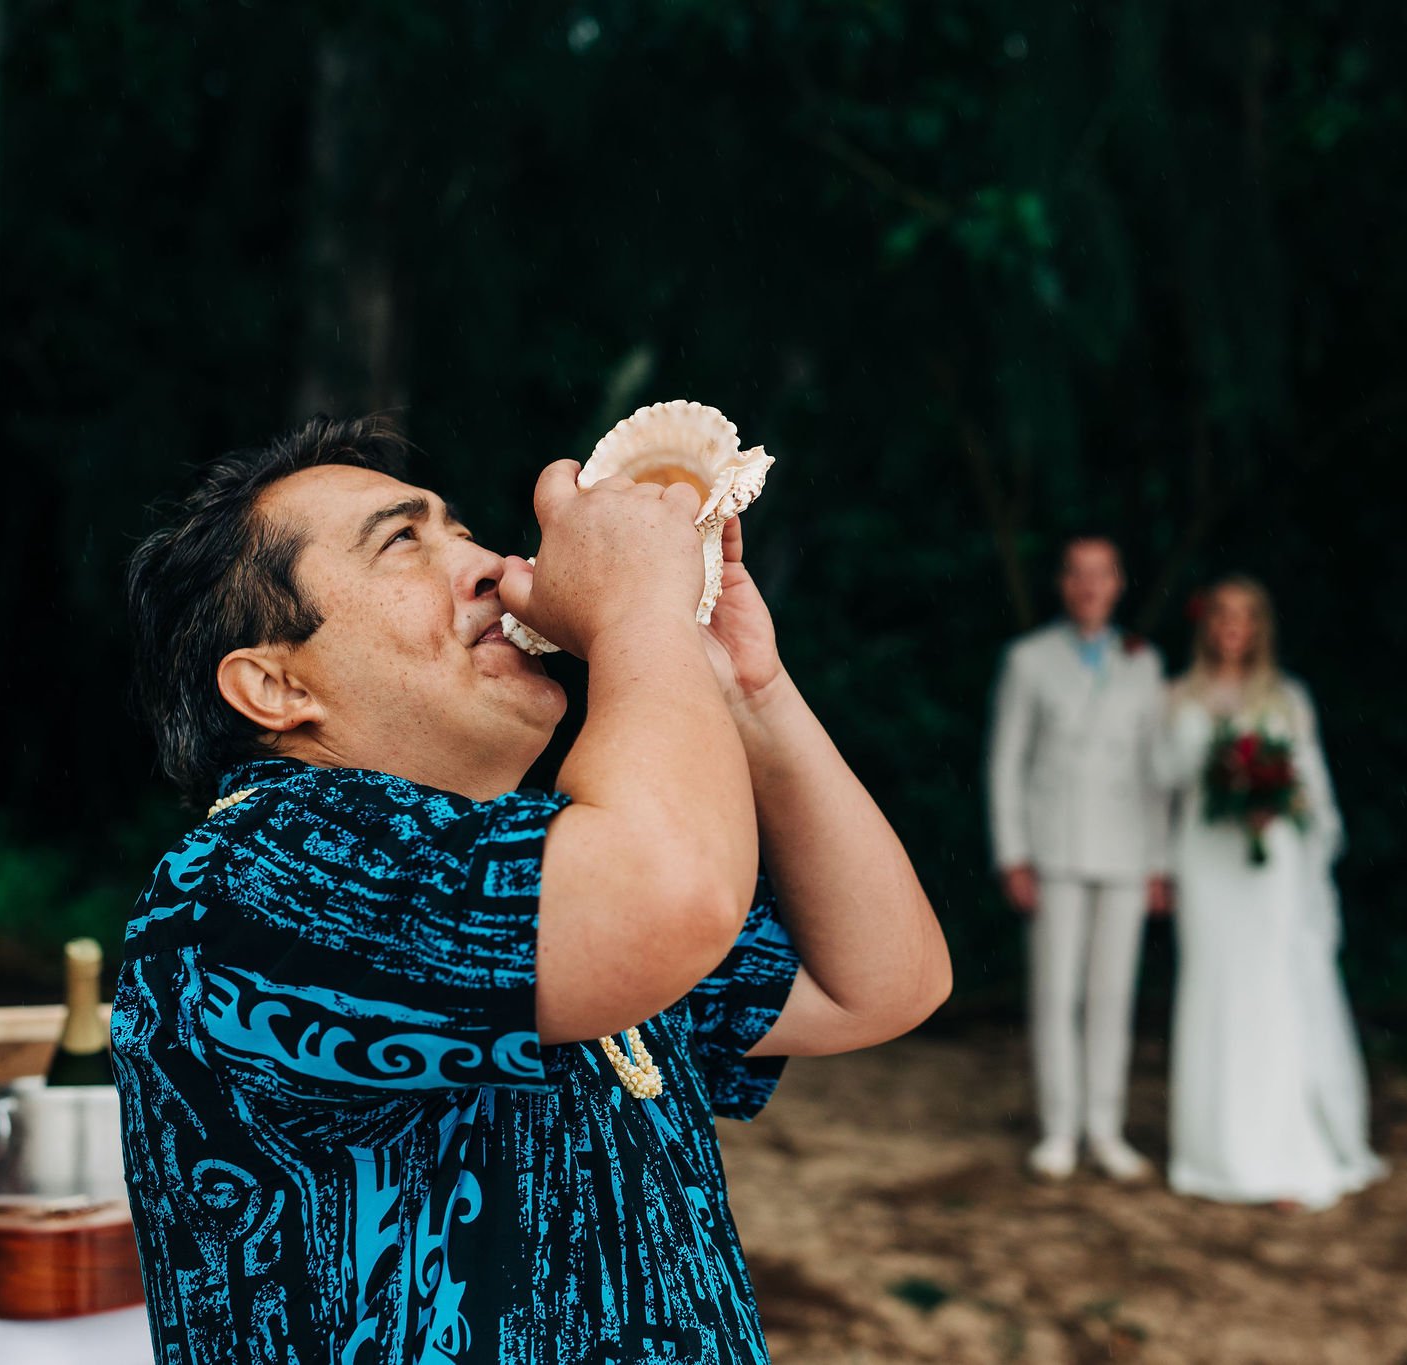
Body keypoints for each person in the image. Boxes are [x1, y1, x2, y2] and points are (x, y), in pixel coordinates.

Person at [113, 415, 950, 1363]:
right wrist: (638, 610)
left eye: (459, 527)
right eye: (402, 541)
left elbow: (881, 981)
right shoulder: (253, 874)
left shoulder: (536, 869)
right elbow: (673, 893)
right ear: (273, 685)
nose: (485, 560)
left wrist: (746, 689)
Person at [1154, 575, 1385, 1210]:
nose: (1232, 625)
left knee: (1271, 996)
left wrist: (1273, 799)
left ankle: (1283, 1149)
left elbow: (1313, 789)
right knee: (1214, 991)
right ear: (1208, 625)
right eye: (1222, 613)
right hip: (1205, 860)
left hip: (1268, 866)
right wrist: (1219, 765)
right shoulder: (1176, 697)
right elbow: (1162, 782)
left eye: (1245, 615)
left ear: (1258, 627)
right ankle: (1211, 1149)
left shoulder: (1287, 700)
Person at [986, 535, 1172, 1182]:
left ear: (1119, 583)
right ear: (1065, 583)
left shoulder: (1143, 661)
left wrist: (1159, 861)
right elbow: (1008, 760)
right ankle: (1059, 1129)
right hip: (1055, 848)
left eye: (1103, 574)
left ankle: (1106, 1127)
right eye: (1078, 574)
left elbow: (1156, 770)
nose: (1091, 585)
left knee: (1112, 995)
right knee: (1055, 991)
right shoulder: (1030, 659)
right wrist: (1014, 852)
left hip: (1125, 851)